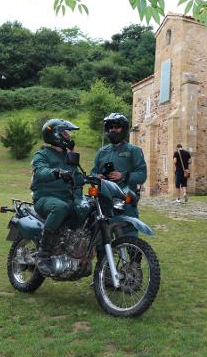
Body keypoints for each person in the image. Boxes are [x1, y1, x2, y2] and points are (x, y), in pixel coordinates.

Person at [31, 119, 83, 275]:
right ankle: (43, 254)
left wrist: (96, 179)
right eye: (66, 133)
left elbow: (78, 180)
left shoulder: (70, 157)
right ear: (55, 135)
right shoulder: (42, 154)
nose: (69, 136)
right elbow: (40, 172)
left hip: (66, 198)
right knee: (60, 207)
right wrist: (57, 172)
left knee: (86, 208)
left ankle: (76, 249)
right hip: (44, 198)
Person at [91, 113, 147, 232]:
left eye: (117, 127)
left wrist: (123, 175)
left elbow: (142, 175)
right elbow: (93, 172)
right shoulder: (102, 152)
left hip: (125, 199)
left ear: (123, 129)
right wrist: (97, 176)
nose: (113, 130)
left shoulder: (133, 150)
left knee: (129, 236)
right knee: (102, 239)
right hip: (104, 201)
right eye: (110, 127)